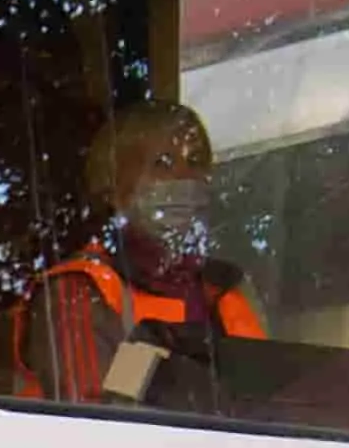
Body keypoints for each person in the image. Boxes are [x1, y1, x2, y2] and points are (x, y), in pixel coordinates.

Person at [38, 101, 263, 403]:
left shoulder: (228, 290)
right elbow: (92, 421)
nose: (184, 178)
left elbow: (275, 404)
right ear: (114, 187)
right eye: (163, 164)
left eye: (195, 162)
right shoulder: (78, 290)